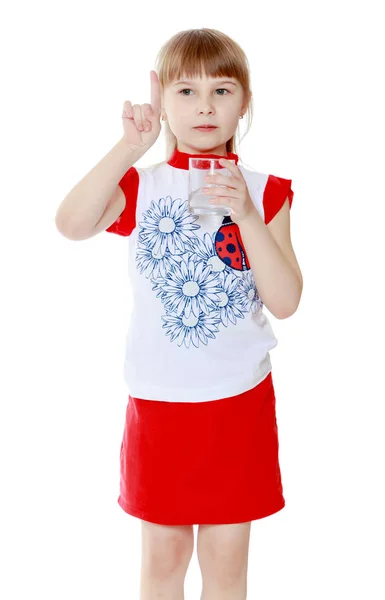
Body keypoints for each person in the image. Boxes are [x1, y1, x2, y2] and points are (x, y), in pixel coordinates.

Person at [55, 27, 303, 600]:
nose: (205, 106)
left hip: (238, 401)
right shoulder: (142, 186)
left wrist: (243, 213)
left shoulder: (266, 192)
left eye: (221, 90)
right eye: (185, 91)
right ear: (162, 101)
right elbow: (70, 224)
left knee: (226, 559)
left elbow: (287, 301)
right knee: (163, 555)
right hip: (160, 403)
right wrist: (127, 149)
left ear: (245, 102)